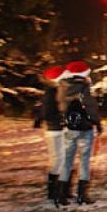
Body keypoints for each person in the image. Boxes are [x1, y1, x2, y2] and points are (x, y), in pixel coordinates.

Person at [57, 60, 102, 206]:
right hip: (84, 128)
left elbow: (60, 105)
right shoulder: (84, 87)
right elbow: (91, 107)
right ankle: (82, 195)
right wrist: (97, 122)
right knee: (84, 161)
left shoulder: (62, 86)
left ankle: (61, 194)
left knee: (67, 160)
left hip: (69, 127)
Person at [35, 66, 65, 203]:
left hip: (58, 129)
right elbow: (47, 112)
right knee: (57, 160)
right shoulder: (51, 92)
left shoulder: (56, 91)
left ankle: (59, 191)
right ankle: (53, 192)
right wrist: (61, 119)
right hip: (55, 130)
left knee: (62, 159)